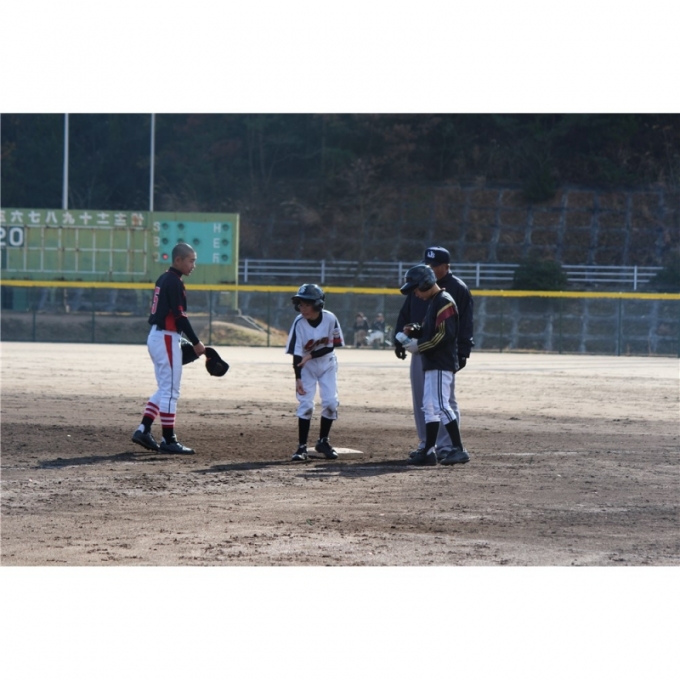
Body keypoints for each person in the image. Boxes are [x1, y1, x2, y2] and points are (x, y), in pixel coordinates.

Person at [394, 246, 474, 460]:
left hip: (440, 359)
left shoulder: (445, 298)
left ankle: (455, 448)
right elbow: (428, 326)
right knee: (428, 405)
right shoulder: (432, 299)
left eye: (416, 290)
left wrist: (419, 346)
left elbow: (445, 334)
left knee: (442, 404)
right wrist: (413, 332)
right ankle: (428, 449)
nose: (415, 294)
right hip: (430, 357)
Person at [131, 243, 205, 455]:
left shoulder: (164, 278)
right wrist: (196, 342)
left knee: (165, 388)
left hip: (158, 336)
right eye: (191, 260)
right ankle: (169, 439)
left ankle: (143, 429)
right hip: (166, 337)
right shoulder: (174, 281)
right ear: (178, 260)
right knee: (171, 391)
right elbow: (180, 317)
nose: (193, 265)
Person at [286, 283, 345, 462]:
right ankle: (302, 447)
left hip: (327, 364)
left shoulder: (330, 318)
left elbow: (331, 346)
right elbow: (297, 354)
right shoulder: (299, 323)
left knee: (331, 402)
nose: (303, 309)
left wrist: (310, 355)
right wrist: (298, 378)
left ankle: (323, 442)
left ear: (318, 304)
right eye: (301, 305)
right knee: (306, 404)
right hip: (306, 367)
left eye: (307, 304)